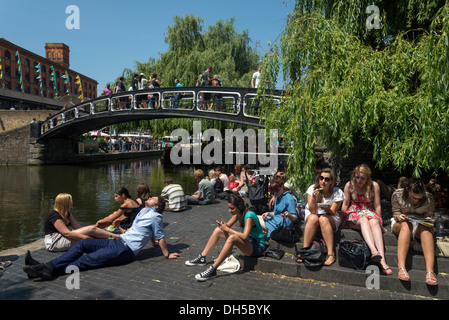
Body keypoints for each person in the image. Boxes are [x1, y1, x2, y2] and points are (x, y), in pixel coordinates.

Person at [22, 197, 180, 280]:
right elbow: (152, 233)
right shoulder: (144, 211)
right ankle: (45, 267)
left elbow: (160, 236)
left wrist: (166, 254)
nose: (150, 197)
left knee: (85, 261)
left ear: (157, 206)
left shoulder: (156, 217)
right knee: (83, 243)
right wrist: (151, 242)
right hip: (117, 241)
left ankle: (45, 270)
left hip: (124, 250)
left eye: (153, 198)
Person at [185, 194, 266, 281]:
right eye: (229, 208)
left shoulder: (249, 216)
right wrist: (222, 226)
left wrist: (227, 229)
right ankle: (202, 257)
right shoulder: (238, 213)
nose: (229, 211)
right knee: (218, 230)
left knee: (232, 238)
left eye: (232, 208)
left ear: (239, 206)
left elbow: (244, 236)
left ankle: (213, 269)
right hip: (247, 243)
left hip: (257, 247)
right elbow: (227, 227)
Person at [341, 164, 392, 275]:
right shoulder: (349, 185)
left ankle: (382, 260)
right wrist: (341, 219)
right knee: (364, 220)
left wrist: (380, 222)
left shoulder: (374, 186)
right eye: (357, 177)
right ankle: (374, 250)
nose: (359, 180)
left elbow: (377, 205)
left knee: (374, 222)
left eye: (362, 178)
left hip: (369, 211)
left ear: (368, 178)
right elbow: (345, 204)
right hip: (354, 212)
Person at [391, 178, 437, 285]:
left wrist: (428, 219)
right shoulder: (397, 194)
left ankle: (430, 271)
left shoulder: (429, 198)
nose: (416, 200)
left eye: (419, 199)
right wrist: (399, 216)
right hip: (402, 223)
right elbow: (395, 212)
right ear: (407, 190)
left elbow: (429, 214)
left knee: (426, 230)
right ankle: (401, 267)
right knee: (406, 225)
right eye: (413, 197)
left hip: (419, 224)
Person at [298, 168, 344, 266]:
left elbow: (333, 211)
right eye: (321, 178)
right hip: (314, 215)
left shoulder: (337, 192)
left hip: (329, 216)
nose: (323, 181)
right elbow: (313, 211)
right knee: (313, 218)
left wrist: (327, 208)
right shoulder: (312, 189)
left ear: (332, 181)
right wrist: (315, 199)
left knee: (323, 219)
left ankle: (331, 254)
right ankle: (305, 251)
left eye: (327, 179)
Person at [44, 193, 114, 252]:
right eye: (70, 201)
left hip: (64, 236)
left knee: (92, 231)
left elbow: (77, 227)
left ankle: (114, 238)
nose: (72, 203)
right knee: (87, 239)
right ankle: (114, 239)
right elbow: (67, 233)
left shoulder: (67, 213)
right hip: (55, 241)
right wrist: (86, 237)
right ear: (65, 203)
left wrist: (92, 230)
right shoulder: (55, 216)